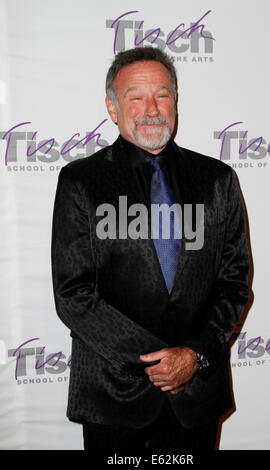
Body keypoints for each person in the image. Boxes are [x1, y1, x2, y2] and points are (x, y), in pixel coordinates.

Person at [51, 46, 250, 452]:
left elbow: (234, 283)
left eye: (162, 94)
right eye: (135, 98)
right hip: (114, 396)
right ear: (112, 108)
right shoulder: (81, 182)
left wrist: (193, 356)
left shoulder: (217, 179)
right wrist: (158, 362)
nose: (152, 109)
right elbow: (73, 293)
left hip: (196, 396)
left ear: (175, 100)